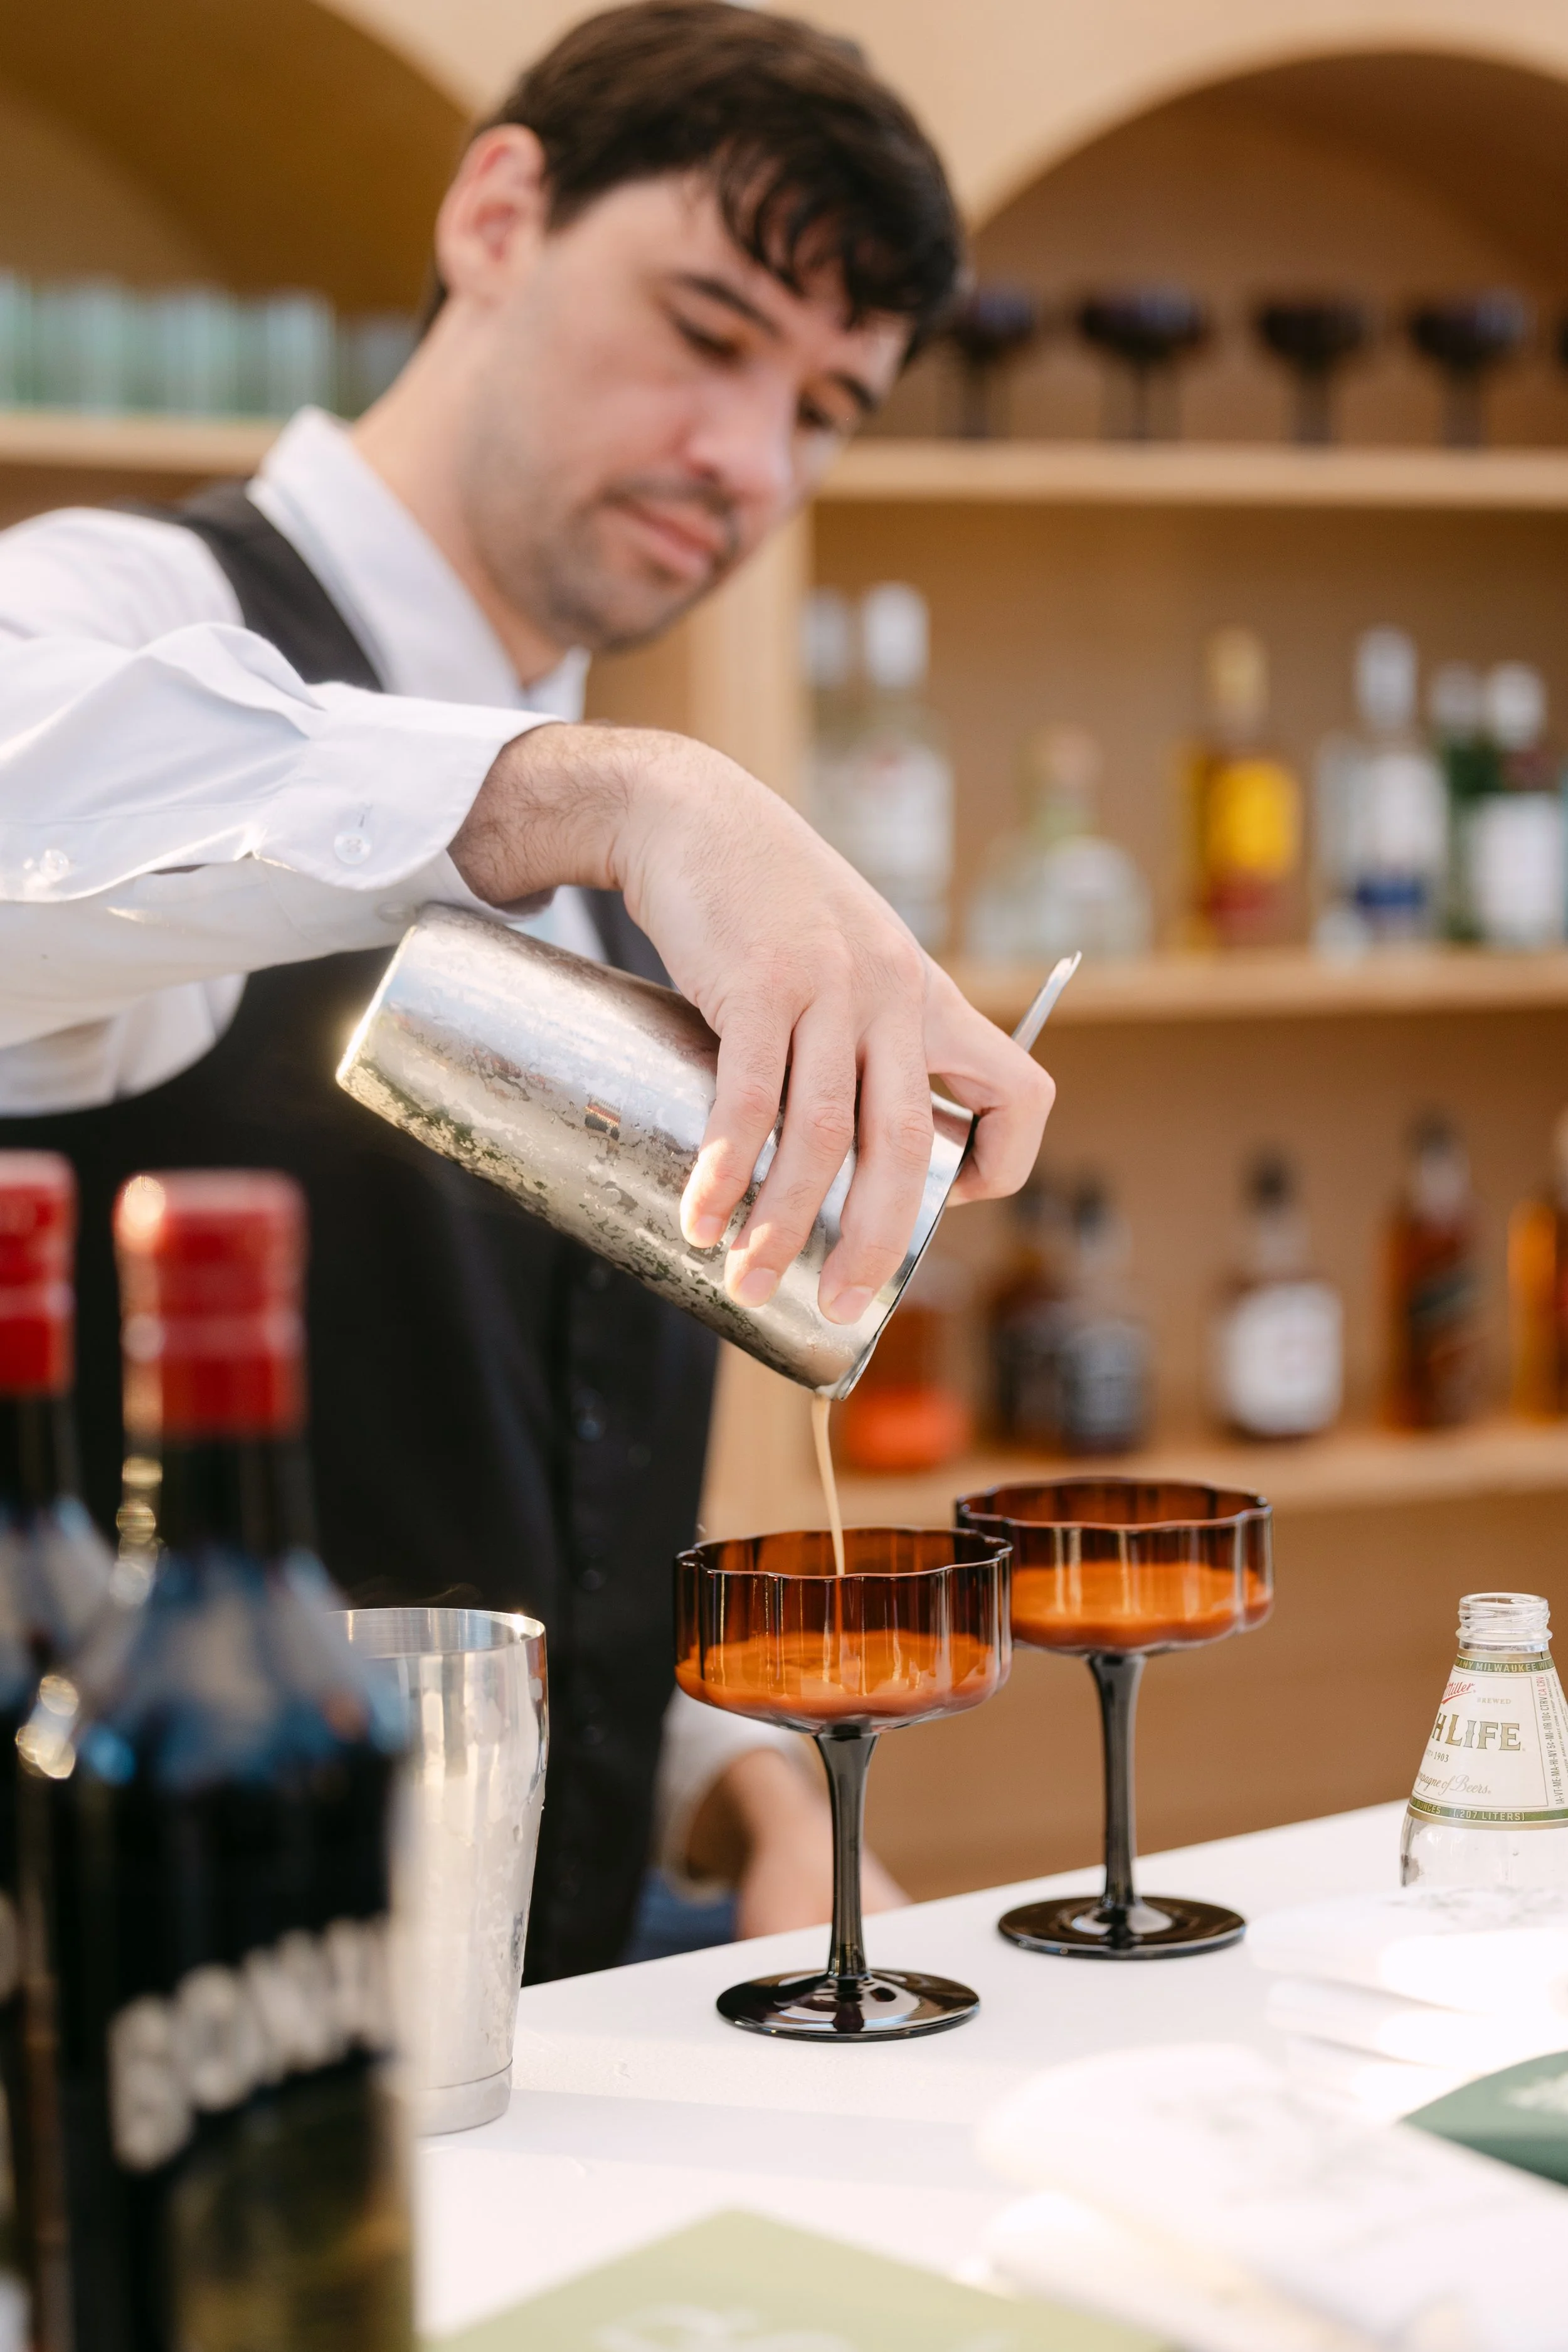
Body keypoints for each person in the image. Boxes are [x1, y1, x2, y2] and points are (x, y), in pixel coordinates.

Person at [0, 1, 1052, 1976]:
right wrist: (586, 790)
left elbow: (524, 1485)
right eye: (709, 328)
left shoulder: (634, 865)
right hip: (162, 2019)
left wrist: (731, 1778)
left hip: (540, 2044)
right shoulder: (126, 620)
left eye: (825, 406)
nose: (747, 459)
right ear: (497, 214)